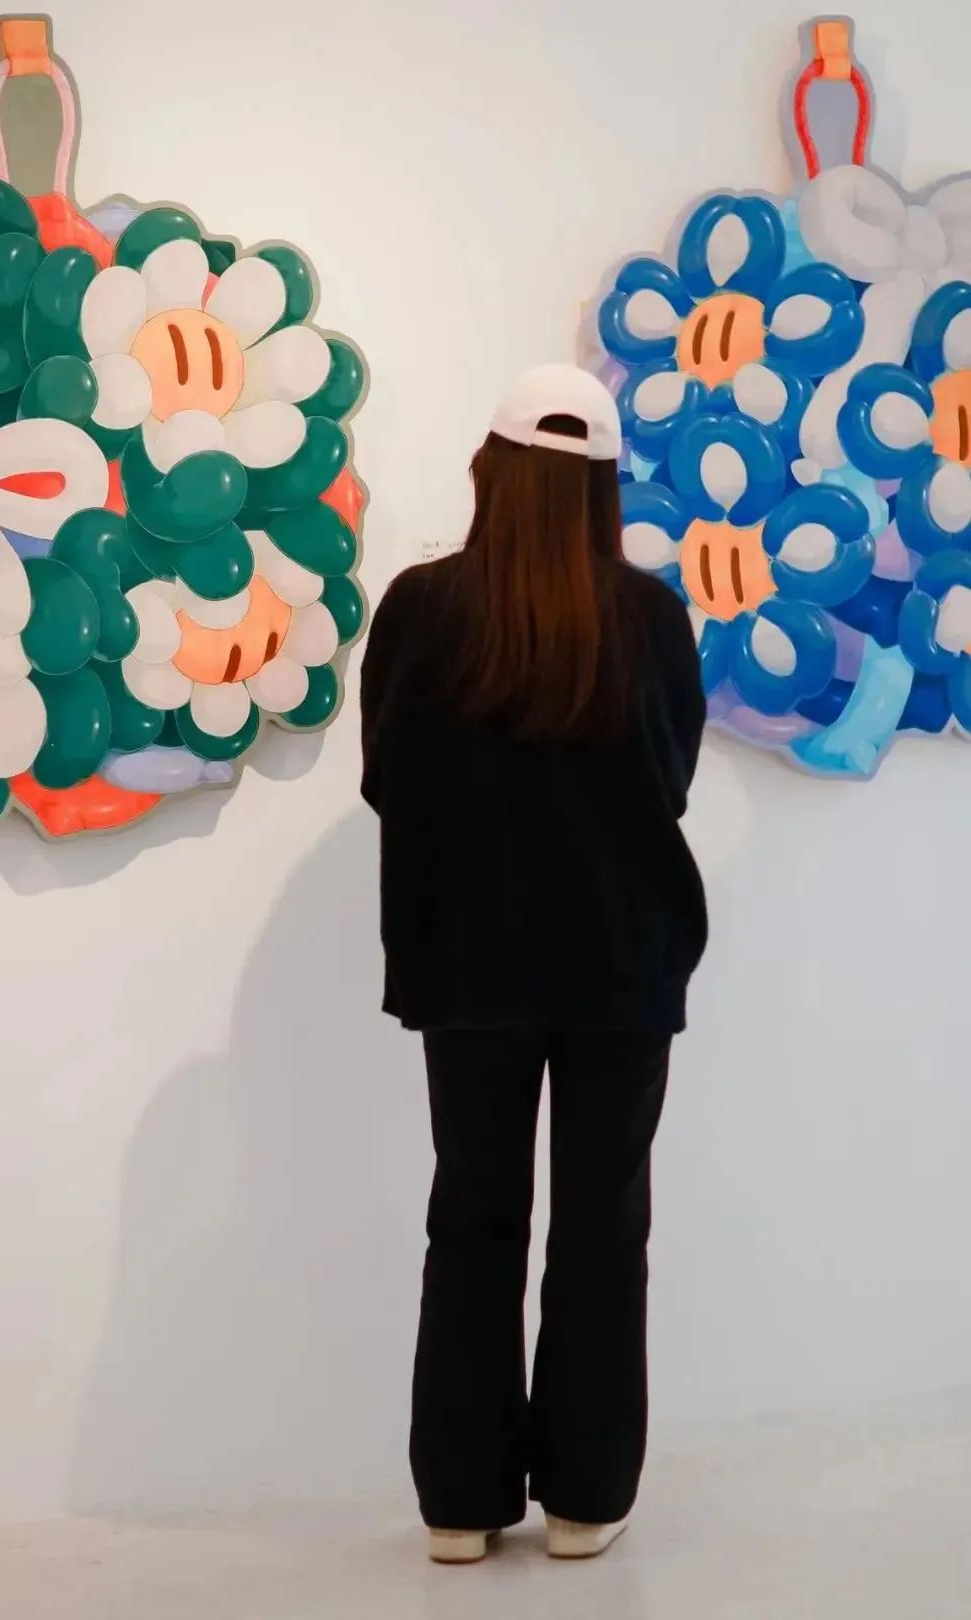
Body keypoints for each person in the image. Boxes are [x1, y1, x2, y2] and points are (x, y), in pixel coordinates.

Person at [360, 364, 708, 1564]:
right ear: (605, 489)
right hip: (621, 962)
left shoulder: (420, 609)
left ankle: (459, 1505)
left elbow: (387, 781)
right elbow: (669, 782)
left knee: (472, 1218)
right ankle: (586, 1498)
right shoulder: (649, 618)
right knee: (604, 1228)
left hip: (466, 963)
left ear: (489, 472)